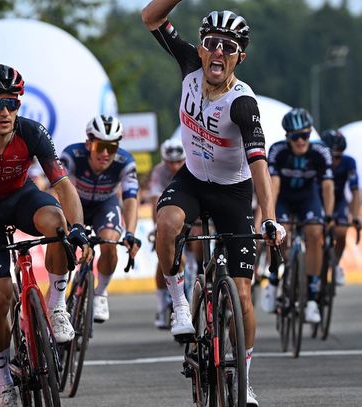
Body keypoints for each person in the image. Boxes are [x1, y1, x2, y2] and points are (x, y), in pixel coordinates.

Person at [142, 4, 285, 405]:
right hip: (190, 179)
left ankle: (245, 378)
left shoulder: (243, 104)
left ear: (240, 56)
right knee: (167, 225)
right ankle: (180, 305)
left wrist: (269, 218)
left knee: (241, 294)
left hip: (232, 192)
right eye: (212, 43)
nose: (218, 52)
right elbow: (150, 19)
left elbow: (260, 166)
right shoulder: (188, 62)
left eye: (229, 46)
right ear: (201, 49)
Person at [0, 64, 92, 407]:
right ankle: (2, 381)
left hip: (21, 198)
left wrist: (78, 228)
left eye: (12, 103)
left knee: (58, 225)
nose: (6, 112)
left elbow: (62, 185)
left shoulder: (32, 132)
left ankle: (57, 305)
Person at [60, 115, 141, 323]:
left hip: (105, 205)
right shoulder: (71, 155)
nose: (105, 154)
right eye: (100, 147)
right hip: (74, 203)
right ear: (88, 144)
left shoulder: (126, 162)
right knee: (61, 245)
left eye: (111, 148)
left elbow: (131, 199)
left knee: (109, 243)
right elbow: (57, 191)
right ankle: (57, 299)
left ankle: (101, 292)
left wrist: (130, 233)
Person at [264, 108, 334, 325]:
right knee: (279, 233)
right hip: (284, 197)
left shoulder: (321, 152)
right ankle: (274, 279)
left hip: (307, 199)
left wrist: (329, 216)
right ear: (287, 137)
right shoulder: (277, 151)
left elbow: (328, 186)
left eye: (305, 135)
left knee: (315, 234)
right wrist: (271, 216)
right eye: (296, 137)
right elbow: (273, 186)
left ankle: (312, 298)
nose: (301, 141)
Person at [149, 138, 201, 329]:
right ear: (164, 161)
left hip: (190, 215)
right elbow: (156, 200)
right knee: (162, 254)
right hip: (169, 214)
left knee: (199, 239)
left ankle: (201, 278)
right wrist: (159, 228)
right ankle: (163, 307)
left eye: (179, 161)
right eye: (170, 162)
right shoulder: (158, 172)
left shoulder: (193, 167)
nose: (174, 166)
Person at [320, 129, 359, 285]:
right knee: (315, 232)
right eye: (332, 155)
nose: (335, 159)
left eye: (339, 155)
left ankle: (335, 264)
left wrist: (355, 217)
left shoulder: (349, 162)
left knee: (342, 232)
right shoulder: (317, 159)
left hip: (338, 201)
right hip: (319, 198)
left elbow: (355, 191)